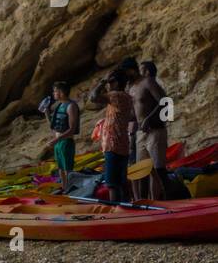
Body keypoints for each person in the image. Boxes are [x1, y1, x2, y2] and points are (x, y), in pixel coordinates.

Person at [89, 70, 133, 203]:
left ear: (117, 83)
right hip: (123, 144)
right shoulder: (126, 96)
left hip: (112, 145)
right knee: (121, 182)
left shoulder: (115, 95)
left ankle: (115, 210)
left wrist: (102, 81)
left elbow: (93, 97)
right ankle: (126, 208)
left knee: (112, 184)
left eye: (111, 82)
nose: (108, 84)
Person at [131, 60, 169, 200]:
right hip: (141, 132)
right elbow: (135, 112)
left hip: (155, 130)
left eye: (141, 69)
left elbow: (166, 102)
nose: (139, 73)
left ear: (147, 72)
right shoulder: (136, 87)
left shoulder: (149, 82)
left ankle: (170, 201)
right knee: (143, 170)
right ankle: (144, 202)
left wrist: (149, 119)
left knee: (159, 169)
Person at [37, 82, 80, 191]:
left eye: (55, 91)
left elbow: (72, 129)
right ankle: (64, 188)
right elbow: (53, 127)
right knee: (60, 168)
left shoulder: (71, 106)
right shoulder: (60, 105)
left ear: (61, 92)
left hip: (66, 142)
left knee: (67, 169)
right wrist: (46, 112)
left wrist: (57, 139)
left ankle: (71, 189)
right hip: (58, 142)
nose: (53, 93)